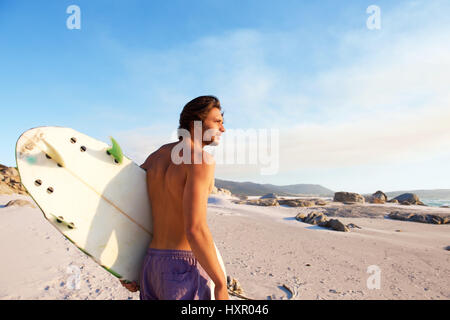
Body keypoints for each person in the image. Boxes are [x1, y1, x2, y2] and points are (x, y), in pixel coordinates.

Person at [121, 96, 228, 300]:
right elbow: (195, 229)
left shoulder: (155, 157)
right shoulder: (201, 160)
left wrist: (125, 268)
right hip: (183, 268)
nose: (223, 129)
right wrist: (221, 284)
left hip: (150, 264)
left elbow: (128, 211)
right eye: (217, 121)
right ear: (195, 122)